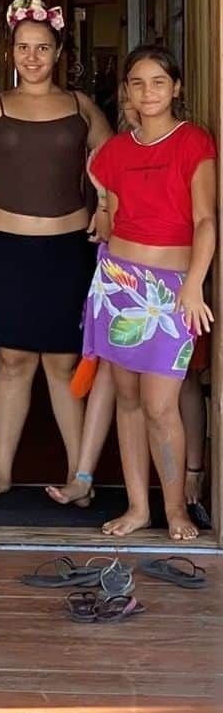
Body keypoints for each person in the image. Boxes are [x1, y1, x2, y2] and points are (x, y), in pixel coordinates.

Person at [0, 0, 111, 500]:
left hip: (67, 250)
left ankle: (79, 477)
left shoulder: (81, 106)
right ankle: (1, 470)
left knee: (61, 362)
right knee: (13, 360)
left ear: (59, 54)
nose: (32, 57)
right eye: (22, 47)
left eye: (41, 47)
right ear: (10, 53)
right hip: (11, 248)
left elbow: (109, 162)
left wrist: (105, 207)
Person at [79, 44, 216, 541]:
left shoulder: (193, 142)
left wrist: (195, 285)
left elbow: (205, 220)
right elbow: (113, 219)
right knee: (128, 399)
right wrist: (98, 203)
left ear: (176, 88)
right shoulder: (115, 150)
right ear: (127, 92)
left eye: (158, 81)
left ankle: (175, 509)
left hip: (172, 290)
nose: (148, 92)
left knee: (162, 404)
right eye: (138, 83)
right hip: (118, 284)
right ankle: (138, 507)